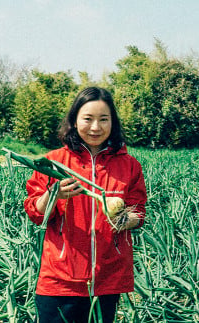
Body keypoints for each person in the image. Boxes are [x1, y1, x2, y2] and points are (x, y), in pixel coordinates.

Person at [24, 87, 147, 323]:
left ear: (113, 123)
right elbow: (34, 212)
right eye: (88, 119)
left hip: (107, 280)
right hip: (60, 280)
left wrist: (124, 219)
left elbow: (139, 212)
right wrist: (53, 195)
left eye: (103, 119)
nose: (95, 127)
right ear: (74, 120)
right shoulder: (53, 163)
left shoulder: (130, 165)